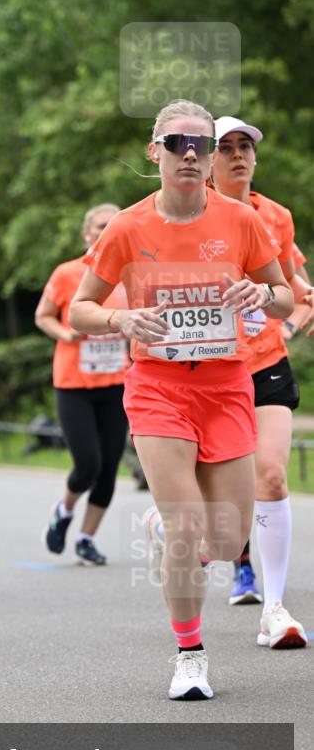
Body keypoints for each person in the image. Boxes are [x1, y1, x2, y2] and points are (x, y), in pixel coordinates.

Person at [69, 99, 293, 701]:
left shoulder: (241, 221)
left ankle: (161, 526)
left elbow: (285, 298)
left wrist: (259, 293)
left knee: (225, 541)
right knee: (189, 528)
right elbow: (79, 308)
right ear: (156, 153)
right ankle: (189, 656)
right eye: (176, 143)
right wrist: (123, 319)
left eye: (200, 143)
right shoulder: (128, 227)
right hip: (159, 388)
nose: (190, 154)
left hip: (225, 387)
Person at [210, 116, 308, 647]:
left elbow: (292, 285)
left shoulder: (275, 217)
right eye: (224, 147)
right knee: (221, 504)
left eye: (244, 146)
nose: (237, 155)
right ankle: (183, 532)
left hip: (265, 358)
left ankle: (273, 608)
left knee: (270, 476)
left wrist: (287, 311)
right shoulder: (187, 211)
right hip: (207, 368)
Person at [36, 203, 129, 564]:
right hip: (74, 383)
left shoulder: (130, 275)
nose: (105, 233)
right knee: (87, 463)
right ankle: (63, 512)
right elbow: (42, 315)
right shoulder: (66, 273)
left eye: (112, 227)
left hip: (116, 382)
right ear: (87, 234)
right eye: (100, 227)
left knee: (109, 466)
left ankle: (87, 538)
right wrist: (65, 333)